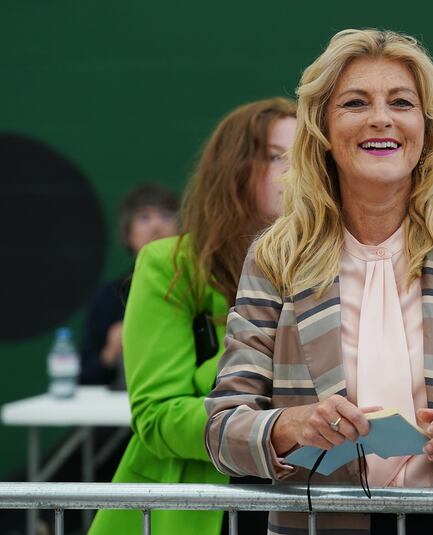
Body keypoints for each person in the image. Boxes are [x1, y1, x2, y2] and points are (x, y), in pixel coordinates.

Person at [205, 29, 433, 535]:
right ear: (322, 130)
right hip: (321, 524)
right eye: (356, 103)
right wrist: (290, 426)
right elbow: (223, 427)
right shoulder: (276, 258)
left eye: (401, 102)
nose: (382, 117)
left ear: (425, 126)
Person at [87, 97, 297, 535]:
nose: (295, 172)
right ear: (235, 168)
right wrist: (269, 429)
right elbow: (156, 416)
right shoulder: (170, 263)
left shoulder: (328, 261)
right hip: (198, 506)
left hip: (304, 501)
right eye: (277, 156)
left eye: (308, 156)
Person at [80, 183, 179, 387]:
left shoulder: (199, 288)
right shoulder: (107, 297)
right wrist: (110, 351)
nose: (156, 226)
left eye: (166, 215)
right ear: (127, 234)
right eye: (144, 217)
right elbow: (85, 376)